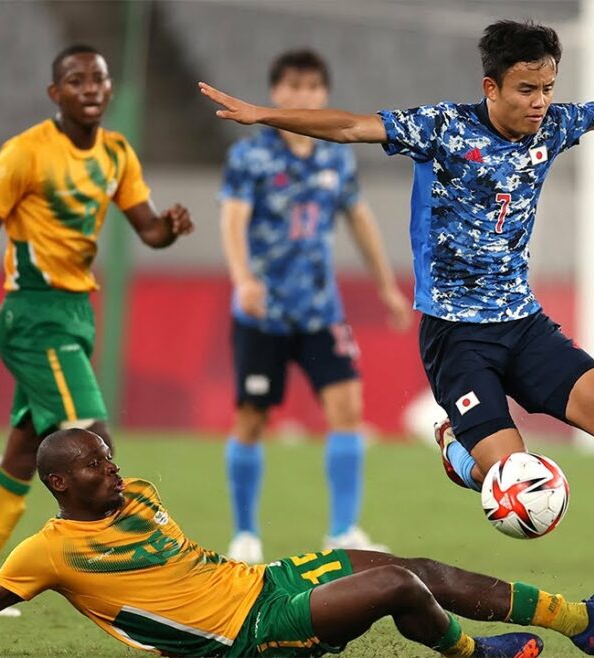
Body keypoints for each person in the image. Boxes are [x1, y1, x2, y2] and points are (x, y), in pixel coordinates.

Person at [200, 19, 594, 594]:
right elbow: (348, 126)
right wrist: (264, 115)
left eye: (547, 89)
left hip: (523, 323)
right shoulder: (441, 127)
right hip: (456, 336)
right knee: (510, 479)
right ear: (491, 88)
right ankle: (458, 452)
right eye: (526, 90)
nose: (540, 103)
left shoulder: (555, 126)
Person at [0, 428, 594, 658]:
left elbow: (187, 567)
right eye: (96, 465)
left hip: (260, 584)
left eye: (109, 455)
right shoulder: (47, 551)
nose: (113, 468)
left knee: (411, 565)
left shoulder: (137, 494)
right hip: (244, 639)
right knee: (394, 595)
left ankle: (580, 620)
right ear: (61, 485)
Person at [0, 44, 194, 612]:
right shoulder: (26, 152)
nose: (90, 88)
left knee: (22, 453)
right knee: (95, 441)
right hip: (34, 314)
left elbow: (148, 230)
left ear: (110, 89)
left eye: (99, 79)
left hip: (77, 313)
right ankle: (127, 567)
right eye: (76, 80)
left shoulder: (117, 154)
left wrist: (171, 228)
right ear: (56, 94)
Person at [219, 49, 412, 563]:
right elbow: (233, 219)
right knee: (252, 417)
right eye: (292, 86)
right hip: (263, 311)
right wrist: (242, 280)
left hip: (322, 310)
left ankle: (343, 530)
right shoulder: (250, 156)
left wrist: (388, 286)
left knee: (347, 408)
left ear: (323, 94)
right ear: (276, 92)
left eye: (312, 87)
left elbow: (359, 220)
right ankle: (244, 535)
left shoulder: (336, 154)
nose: (302, 95)